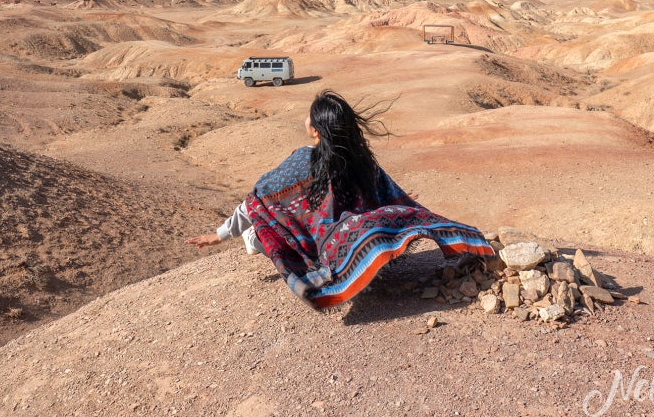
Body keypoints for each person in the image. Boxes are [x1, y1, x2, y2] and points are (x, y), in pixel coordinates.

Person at [186, 90, 493, 309]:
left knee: (262, 232)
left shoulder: (303, 160)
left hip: (313, 243)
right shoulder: (360, 160)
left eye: (310, 115)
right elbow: (385, 194)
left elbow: (256, 201)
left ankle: (254, 239)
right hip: (336, 238)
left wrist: (219, 235)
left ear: (317, 130)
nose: (305, 118)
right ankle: (261, 239)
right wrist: (399, 209)